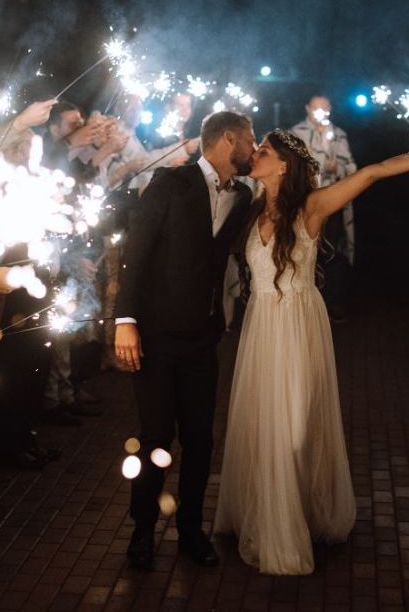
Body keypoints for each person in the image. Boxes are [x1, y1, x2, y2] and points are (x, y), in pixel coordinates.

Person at [214, 130, 409, 575]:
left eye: (264, 152)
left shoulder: (311, 205)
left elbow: (371, 173)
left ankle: (293, 519)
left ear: (284, 165)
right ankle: (259, 510)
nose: (255, 155)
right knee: (259, 420)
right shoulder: (250, 207)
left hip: (295, 322)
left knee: (292, 427)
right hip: (260, 325)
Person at [114, 111, 256, 571]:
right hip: (155, 334)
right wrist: (125, 320)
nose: (253, 149)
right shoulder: (170, 183)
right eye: (250, 140)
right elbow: (135, 253)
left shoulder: (245, 195)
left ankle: (191, 529)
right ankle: (142, 530)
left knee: (199, 439)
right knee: (156, 436)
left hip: (203, 337)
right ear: (228, 138)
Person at [290, 96, 357, 321]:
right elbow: (292, 167)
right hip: (307, 203)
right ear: (307, 109)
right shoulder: (296, 134)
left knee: (334, 252)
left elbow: (351, 167)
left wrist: (338, 167)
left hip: (333, 202)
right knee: (307, 250)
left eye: (325, 109)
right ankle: (304, 303)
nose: (321, 113)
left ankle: (332, 304)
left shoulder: (338, 134)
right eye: (317, 108)